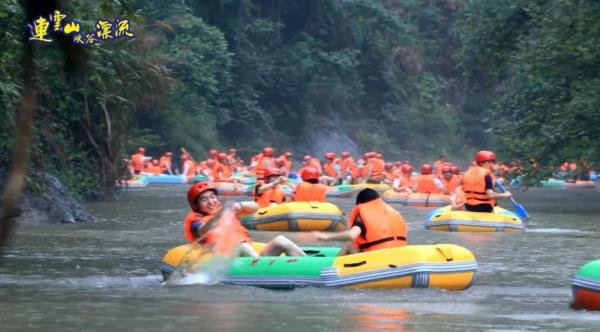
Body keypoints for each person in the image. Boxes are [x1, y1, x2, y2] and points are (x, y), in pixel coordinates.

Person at [184, 182, 306, 257]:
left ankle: (308, 265)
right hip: (222, 257)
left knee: (281, 240)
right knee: (238, 242)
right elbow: (202, 231)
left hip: (244, 255)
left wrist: (240, 205)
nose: (211, 202)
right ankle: (259, 265)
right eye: (204, 199)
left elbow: (257, 208)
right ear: (196, 205)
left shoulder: (223, 209)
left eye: (212, 197)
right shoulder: (195, 221)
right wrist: (219, 215)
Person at [309, 189, 407, 256]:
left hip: (378, 258)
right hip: (397, 255)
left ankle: (332, 267)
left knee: (349, 244)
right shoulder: (392, 212)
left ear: (360, 203)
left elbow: (351, 235)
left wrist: (326, 237)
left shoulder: (363, 215)